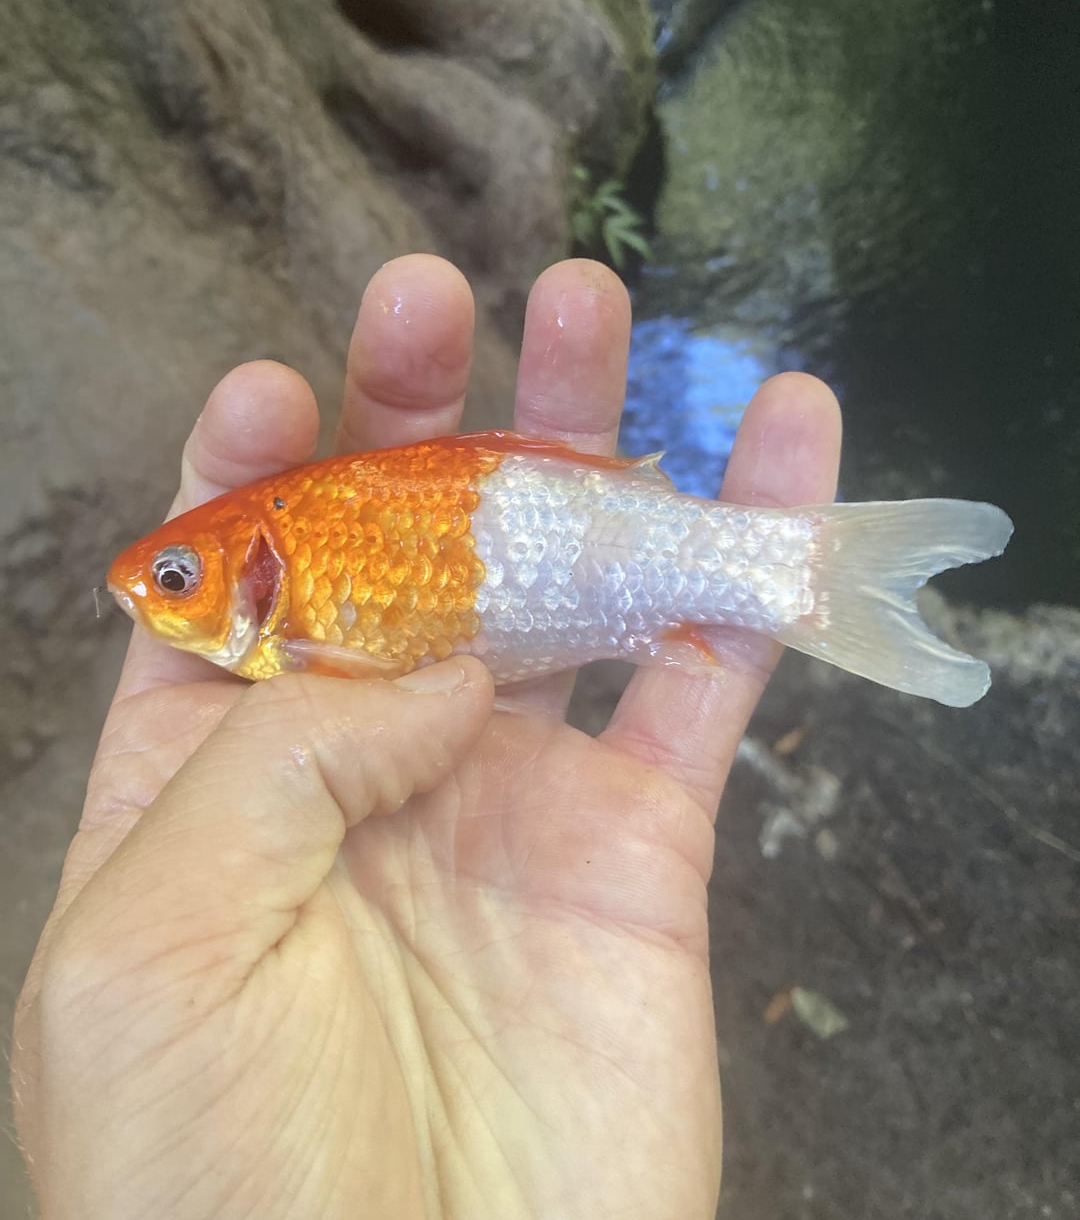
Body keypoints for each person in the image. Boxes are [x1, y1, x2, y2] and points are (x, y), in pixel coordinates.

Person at [11, 255, 840, 1219]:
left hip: (555, 531)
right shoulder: (284, 597)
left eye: (176, 579)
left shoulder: (294, 619)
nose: (152, 599)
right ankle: (796, 573)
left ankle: (806, 572)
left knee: (766, 575)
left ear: (259, 575)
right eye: (173, 580)